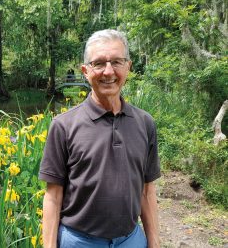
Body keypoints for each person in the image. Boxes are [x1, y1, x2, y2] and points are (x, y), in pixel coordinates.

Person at [39, 29, 161, 248]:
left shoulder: (145, 123)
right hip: (79, 241)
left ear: (128, 67)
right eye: (99, 63)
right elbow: (53, 197)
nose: (108, 72)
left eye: (116, 62)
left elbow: (146, 191)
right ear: (85, 71)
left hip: (131, 240)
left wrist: (154, 243)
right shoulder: (63, 126)